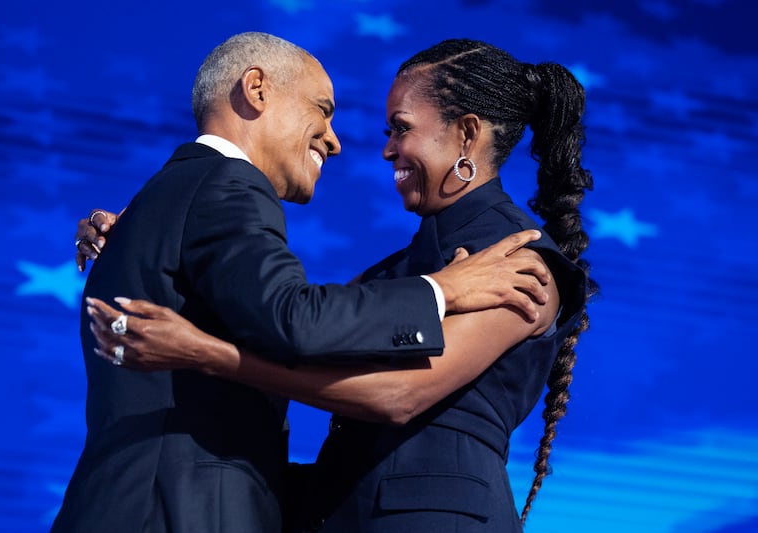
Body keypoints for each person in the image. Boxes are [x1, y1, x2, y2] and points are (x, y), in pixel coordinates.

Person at [82, 38, 595, 532]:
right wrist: (153, 234)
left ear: (466, 135)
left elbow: (399, 396)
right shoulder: (396, 274)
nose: (386, 150)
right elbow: (293, 326)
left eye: (400, 128)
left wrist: (207, 354)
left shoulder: (518, 262)